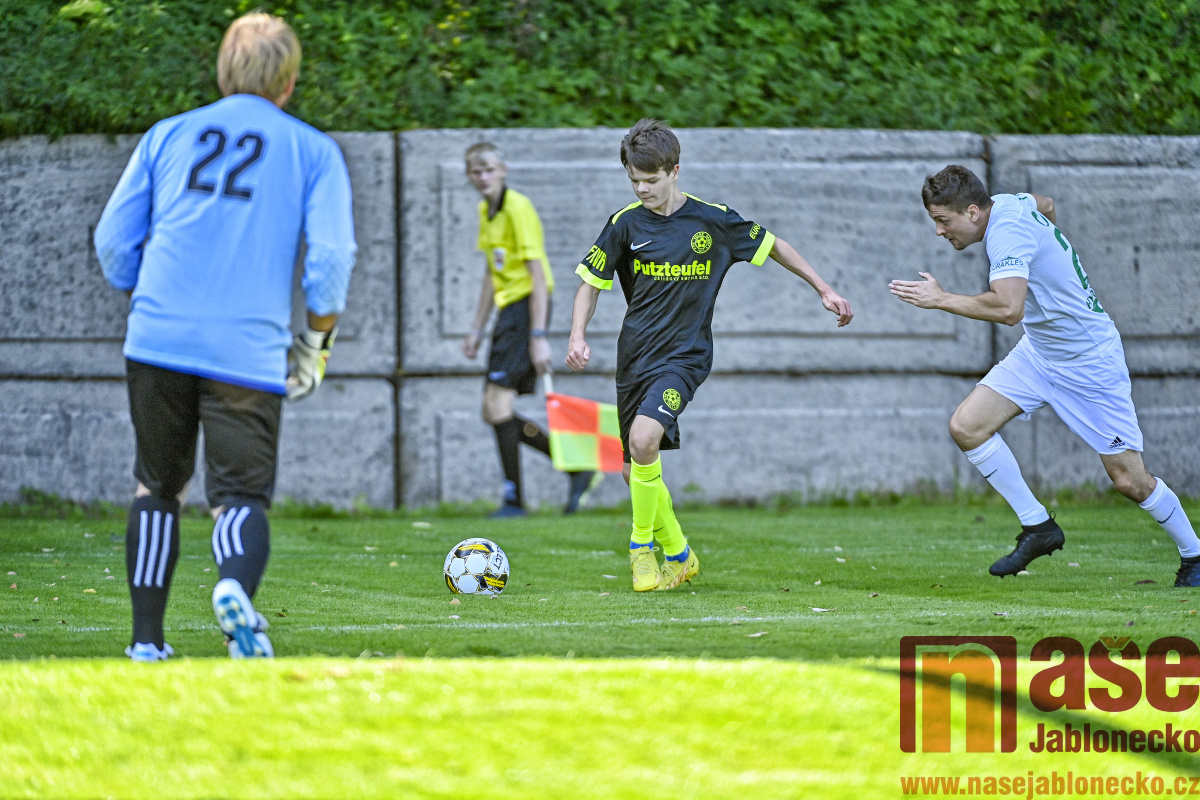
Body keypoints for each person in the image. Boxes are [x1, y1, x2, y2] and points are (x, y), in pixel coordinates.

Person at [94, 11, 357, 660]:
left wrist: (150, 299)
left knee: (158, 486)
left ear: (222, 71)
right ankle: (234, 587)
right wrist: (316, 344)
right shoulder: (313, 150)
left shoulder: (166, 135)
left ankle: (146, 643)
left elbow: (113, 243)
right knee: (239, 493)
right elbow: (330, 263)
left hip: (157, 338)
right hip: (246, 349)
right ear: (288, 82)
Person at [566, 119, 854, 592]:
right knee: (633, 468)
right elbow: (589, 284)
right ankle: (681, 554)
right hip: (634, 359)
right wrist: (577, 334)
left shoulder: (713, 221)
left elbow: (775, 245)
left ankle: (641, 551)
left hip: (685, 358)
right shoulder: (624, 224)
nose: (641, 189)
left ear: (674, 171)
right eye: (634, 181)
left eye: (651, 180)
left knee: (644, 439)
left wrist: (823, 288)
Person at [890, 165, 1200, 587]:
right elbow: (1047, 205)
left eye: (943, 221)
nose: (939, 231)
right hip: (1040, 353)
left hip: (1089, 361)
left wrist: (940, 299)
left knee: (1130, 480)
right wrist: (1050, 257)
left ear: (974, 212)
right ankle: (1039, 527)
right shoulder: (1011, 203)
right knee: (967, 427)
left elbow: (1008, 309)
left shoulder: (1006, 232)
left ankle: (1195, 554)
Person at [461, 142, 599, 518]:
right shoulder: (487, 211)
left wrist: (538, 337)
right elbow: (492, 272)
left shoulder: (518, 208)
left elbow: (538, 276)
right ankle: (572, 469)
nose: (483, 177)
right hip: (509, 311)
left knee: (497, 407)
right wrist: (476, 329)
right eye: (475, 171)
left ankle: (516, 500)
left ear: (503, 170)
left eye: (489, 169)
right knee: (493, 410)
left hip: (526, 310)